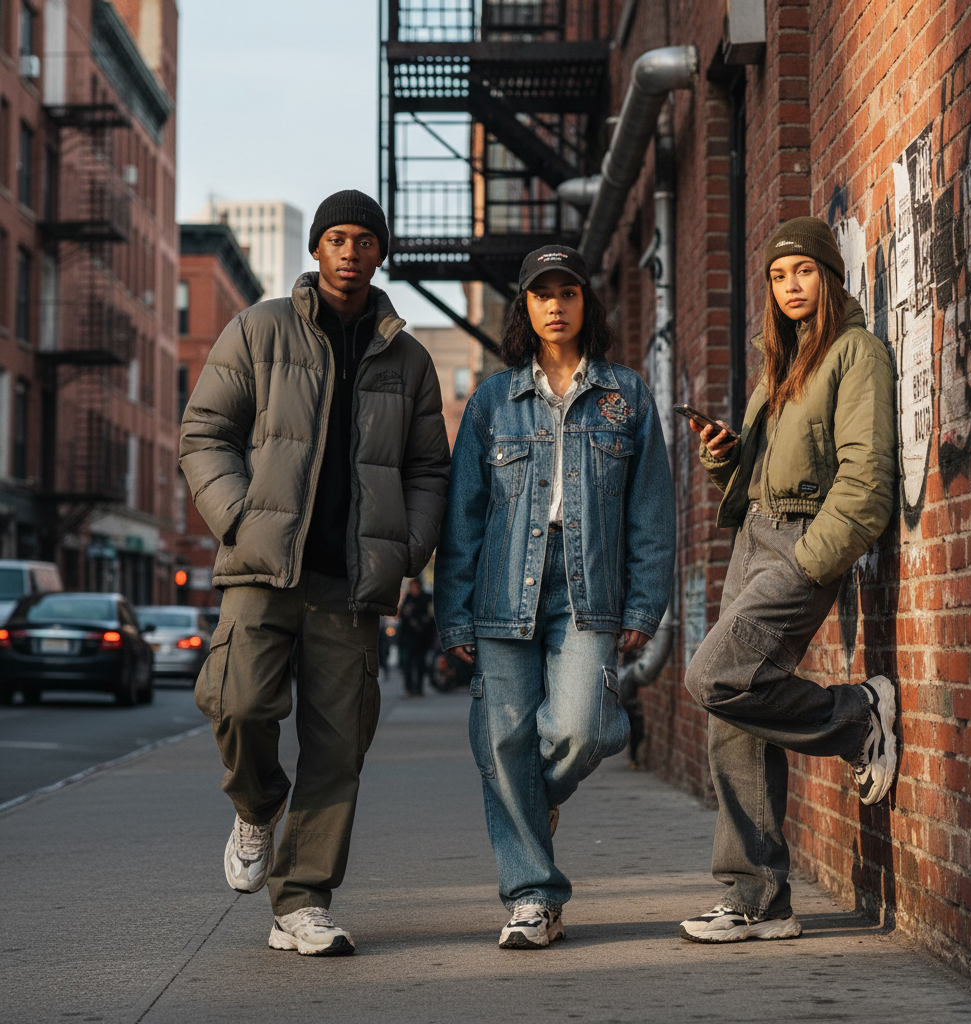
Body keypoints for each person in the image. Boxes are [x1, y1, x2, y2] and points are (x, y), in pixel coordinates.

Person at [180, 190, 450, 957]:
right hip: (262, 570)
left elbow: (431, 467)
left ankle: (301, 902)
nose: (349, 251)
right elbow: (204, 434)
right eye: (336, 237)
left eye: (364, 240)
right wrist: (239, 517)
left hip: (351, 582)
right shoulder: (258, 329)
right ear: (317, 250)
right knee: (238, 702)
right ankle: (257, 807)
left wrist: (406, 547)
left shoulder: (409, 358)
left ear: (379, 253)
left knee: (339, 747)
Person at [434, 245, 674, 949]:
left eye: (568, 292)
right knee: (502, 742)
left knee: (582, 728)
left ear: (584, 304)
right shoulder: (491, 401)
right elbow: (463, 517)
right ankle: (533, 898)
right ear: (526, 308)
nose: (556, 304)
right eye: (542, 294)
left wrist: (643, 608)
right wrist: (454, 613)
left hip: (588, 587)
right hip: (504, 586)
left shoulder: (626, 396)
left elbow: (652, 514)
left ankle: (531, 808)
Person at [678, 216, 898, 944]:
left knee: (712, 676)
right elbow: (770, 471)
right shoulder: (785, 361)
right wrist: (724, 459)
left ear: (829, 277)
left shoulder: (855, 354)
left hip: (801, 544)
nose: (789, 286)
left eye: (802, 271)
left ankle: (859, 717)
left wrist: (811, 562)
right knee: (731, 718)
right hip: (754, 537)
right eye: (778, 276)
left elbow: (865, 483)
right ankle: (757, 898)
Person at [398, 577, 432, 697]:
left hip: (421, 639)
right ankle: (408, 688)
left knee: (420, 665)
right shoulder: (407, 600)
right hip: (407, 639)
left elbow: (430, 617)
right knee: (407, 664)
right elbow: (401, 616)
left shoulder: (426, 599)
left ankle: (418, 688)